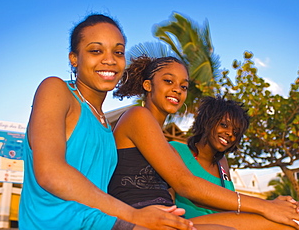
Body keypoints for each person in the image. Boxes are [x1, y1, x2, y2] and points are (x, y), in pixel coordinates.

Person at [18, 14, 195, 230]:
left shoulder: (105, 126)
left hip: (101, 222)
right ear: (74, 58)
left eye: (118, 52)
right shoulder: (55, 90)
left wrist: (151, 212)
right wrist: (134, 215)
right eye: (96, 50)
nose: (110, 59)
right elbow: (50, 172)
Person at [108, 55, 299, 230]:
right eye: (169, 81)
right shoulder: (137, 116)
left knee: (288, 223)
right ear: (148, 85)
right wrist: (266, 206)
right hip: (140, 219)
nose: (177, 90)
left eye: (183, 86)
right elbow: (186, 185)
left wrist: (275, 207)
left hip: (169, 218)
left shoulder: (163, 141)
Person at [169, 97, 249, 219]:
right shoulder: (176, 151)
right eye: (224, 125)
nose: (230, 134)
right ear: (207, 121)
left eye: (236, 132)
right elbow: (166, 202)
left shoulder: (222, 164)